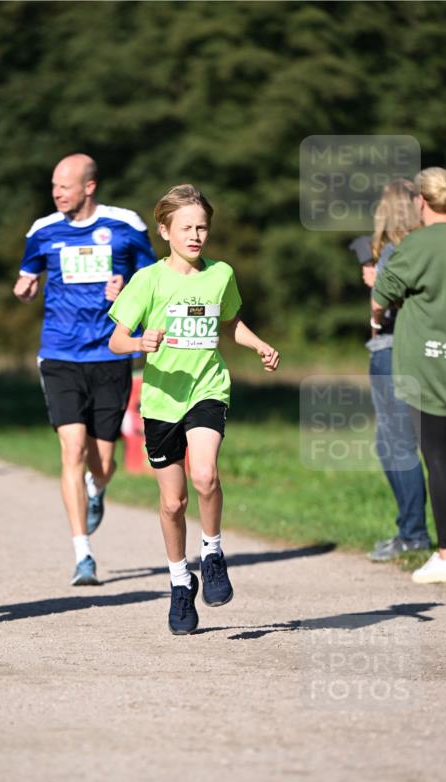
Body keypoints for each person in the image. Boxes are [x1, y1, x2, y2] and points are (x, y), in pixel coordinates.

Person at [108, 184, 280, 635]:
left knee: (204, 476)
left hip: (208, 387)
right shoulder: (148, 279)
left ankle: (213, 552)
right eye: (186, 227)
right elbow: (116, 339)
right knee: (172, 502)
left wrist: (258, 343)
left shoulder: (220, 274)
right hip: (162, 398)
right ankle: (180, 583)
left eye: (202, 227)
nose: (196, 235)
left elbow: (232, 321)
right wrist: (139, 342)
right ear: (165, 230)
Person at [14, 153, 155, 586]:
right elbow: (27, 278)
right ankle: (83, 554)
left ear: (89, 187)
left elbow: (154, 282)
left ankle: (97, 491)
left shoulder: (126, 226)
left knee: (104, 461)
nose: (56, 193)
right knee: (71, 448)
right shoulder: (42, 231)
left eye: (65, 186)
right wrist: (24, 288)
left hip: (111, 354)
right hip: (59, 354)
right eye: (54, 185)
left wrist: (128, 286)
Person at [372, 167, 446, 584]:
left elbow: (382, 294)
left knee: (437, 459)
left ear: (421, 201)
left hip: (428, 366)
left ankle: (445, 556)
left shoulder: (419, 243)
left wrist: (376, 315)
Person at [354, 180, 432, 562]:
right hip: (415, 352)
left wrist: (375, 286)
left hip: (389, 351)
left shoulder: (391, 254)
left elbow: (382, 309)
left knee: (397, 445)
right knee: (394, 444)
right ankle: (410, 528)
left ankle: (414, 533)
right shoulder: (424, 248)